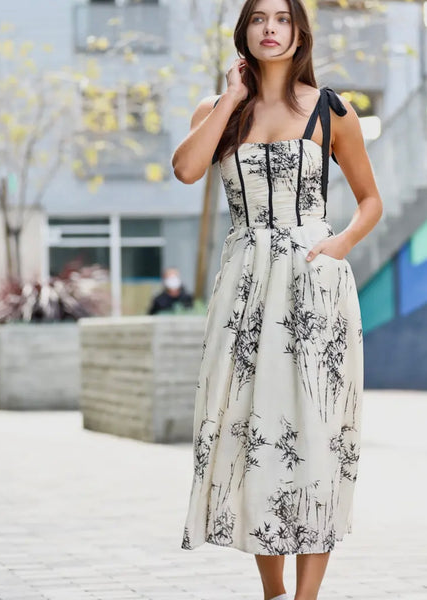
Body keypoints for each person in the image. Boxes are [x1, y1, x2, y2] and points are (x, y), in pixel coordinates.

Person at [171, 0, 383, 599]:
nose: (270, 28)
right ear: (245, 31)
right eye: (260, 18)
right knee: (252, 432)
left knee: (317, 435)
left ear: (297, 32)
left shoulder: (329, 108)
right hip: (244, 290)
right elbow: (186, 169)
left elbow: (371, 201)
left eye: (282, 19)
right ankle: (273, 592)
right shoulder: (218, 111)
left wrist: (336, 246)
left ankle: (307, 597)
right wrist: (232, 99)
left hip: (314, 286)